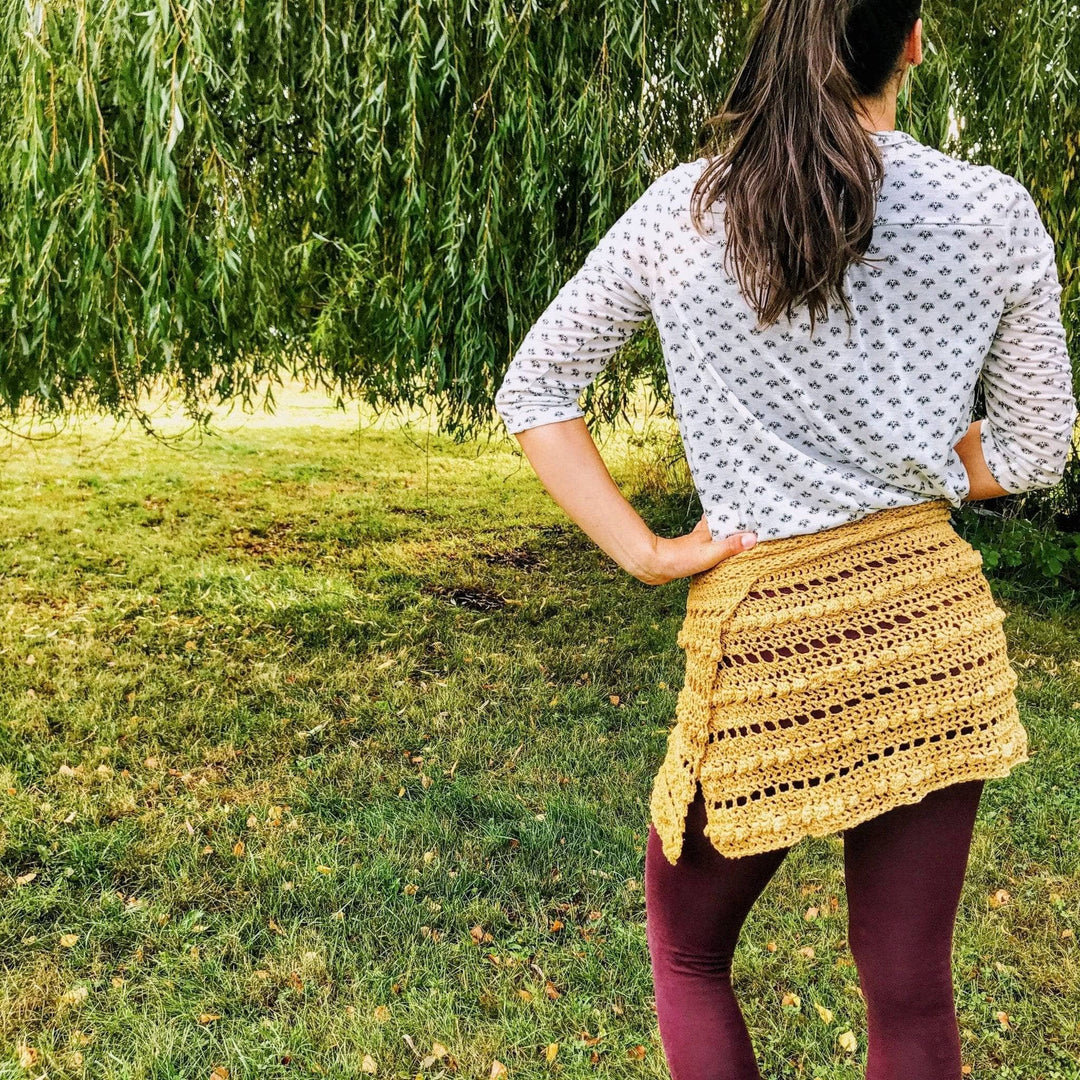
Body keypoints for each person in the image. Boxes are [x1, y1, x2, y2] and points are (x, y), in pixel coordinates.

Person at [492, 1, 1077, 1077]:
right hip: (927, 635)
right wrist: (932, 469)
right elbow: (1041, 447)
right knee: (908, 992)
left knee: (691, 951)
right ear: (908, 40)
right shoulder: (993, 213)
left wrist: (647, 552)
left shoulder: (689, 209)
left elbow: (537, 388)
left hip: (768, 632)